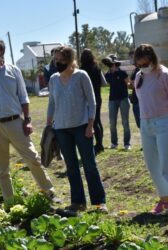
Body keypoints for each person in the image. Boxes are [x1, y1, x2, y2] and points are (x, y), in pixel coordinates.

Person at [0, 38, 59, 206]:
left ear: (3, 52)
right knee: (1, 167)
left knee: (33, 158)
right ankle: (10, 202)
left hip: (15, 122)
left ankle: (49, 192)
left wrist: (27, 120)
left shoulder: (14, 71)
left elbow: (23, 97)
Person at [47, 46, 107, 213]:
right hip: (61, 129)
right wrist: (48, 124)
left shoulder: (81, 75)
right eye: (55, 60)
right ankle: (78, 202)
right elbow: (52, 102)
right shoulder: (53, 79)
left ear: (69, 59)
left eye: (60, 59)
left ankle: (99, 202)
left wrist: (90, 125)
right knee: (71, 166)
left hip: (82, 127)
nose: (57, 62)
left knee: (89, 165)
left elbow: (92, 101)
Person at [133, 44, 168, 218]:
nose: (143, 67)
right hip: (146, 125)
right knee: (153, 165)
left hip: (164, 123)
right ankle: (164, 199)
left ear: (153, 59)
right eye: (139, 65)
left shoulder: (165, 75)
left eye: (145, 63)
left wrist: (162, 108)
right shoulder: (139, 76)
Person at [80, 48, 107, 155]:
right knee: (97, 121)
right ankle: (100, 144)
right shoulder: (97, 68)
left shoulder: (81, 70)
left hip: (87, 99)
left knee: (91, 122)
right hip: (97, 97)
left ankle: (98, 145)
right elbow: (103, 83)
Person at [102, 55, 131, 150]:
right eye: (108, 63)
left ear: (115, 62)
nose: (109, 65)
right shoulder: (108, 75)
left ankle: (127, 144)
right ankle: (114, 143)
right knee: (112, 122)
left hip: (123, 99)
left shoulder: (123, 73)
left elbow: (128, 84)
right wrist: (110, 71)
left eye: (111, 63)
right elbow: (105, 83)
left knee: (125, 122)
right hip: (112, 100)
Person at [128, 50, 141, 129]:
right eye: (130, 57)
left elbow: (133, 85)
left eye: (132, 57)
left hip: (139, 101)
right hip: (135, 100)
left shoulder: (139, 70)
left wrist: (130, 84)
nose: (130, 59)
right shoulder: (134, 70)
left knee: (141, 124)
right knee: (139, 125)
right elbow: (131, 85)